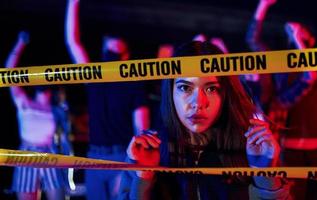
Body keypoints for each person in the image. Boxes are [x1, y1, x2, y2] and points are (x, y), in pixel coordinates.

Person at [118, 41, 290, 200]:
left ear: (225, 94)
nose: (198, 103)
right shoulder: (145, 151)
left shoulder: (254, 149)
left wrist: (265, 176)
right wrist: (144, 178)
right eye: (185, 87)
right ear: (170, 92)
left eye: (211, 88)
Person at [246, 0, 317, 199]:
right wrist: (263, 5)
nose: (293, 31)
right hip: (291, 144)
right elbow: (253, 40)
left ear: (311, 38)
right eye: (289, 31)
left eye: (299, 29)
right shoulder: (281, 66)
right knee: (293, 194)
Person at [65, 0, 150, 199]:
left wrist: (138, 164)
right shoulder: (96, 76)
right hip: (95, 156)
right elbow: (72, 42)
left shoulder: (132, 83)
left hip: (119, 156)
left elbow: (141, 127)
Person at [6, 31, 70, 200]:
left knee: (58, 196)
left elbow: (65, 137)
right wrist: (19, 44)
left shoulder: (56, 109)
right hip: (27, 153)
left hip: (49, 153)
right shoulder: (24, 102)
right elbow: (8, 73)